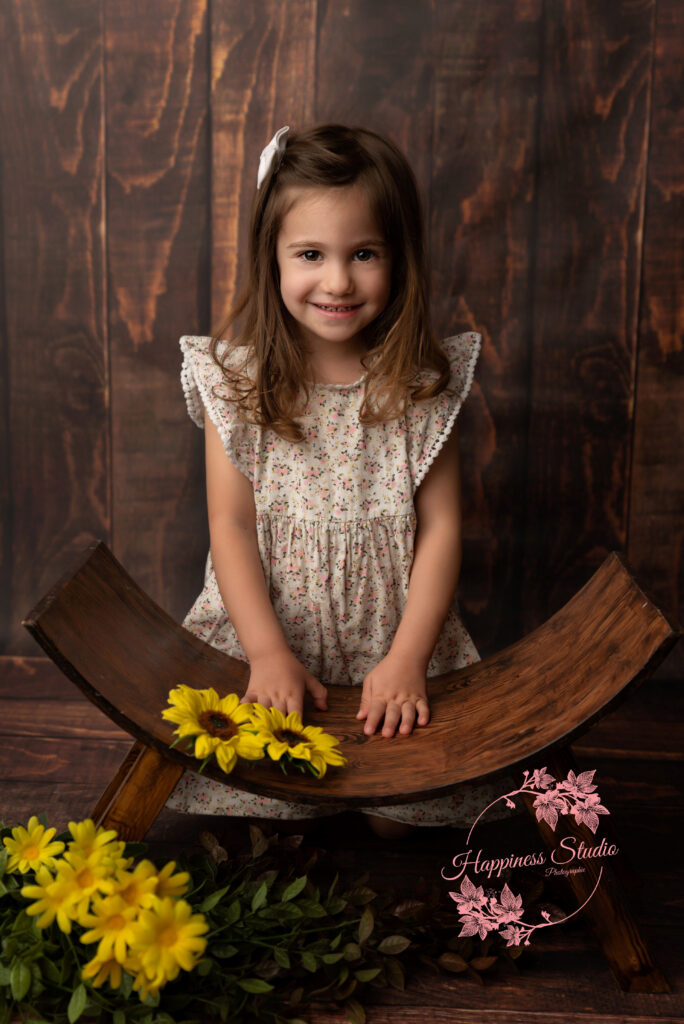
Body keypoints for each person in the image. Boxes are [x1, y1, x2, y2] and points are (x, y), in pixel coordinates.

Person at [167, 123, 508, 838]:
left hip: (391, 637)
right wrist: (264, 654)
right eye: (311, 255)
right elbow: (229, 526)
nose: (338, 281)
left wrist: (409, 659)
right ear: (273, 260)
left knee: (404, 821)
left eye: (363, 254)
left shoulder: (418, 387)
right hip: (272, 635)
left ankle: (388, 745)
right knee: (269, 811)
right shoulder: (238, 384)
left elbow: (443, 528)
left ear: (398, 259)